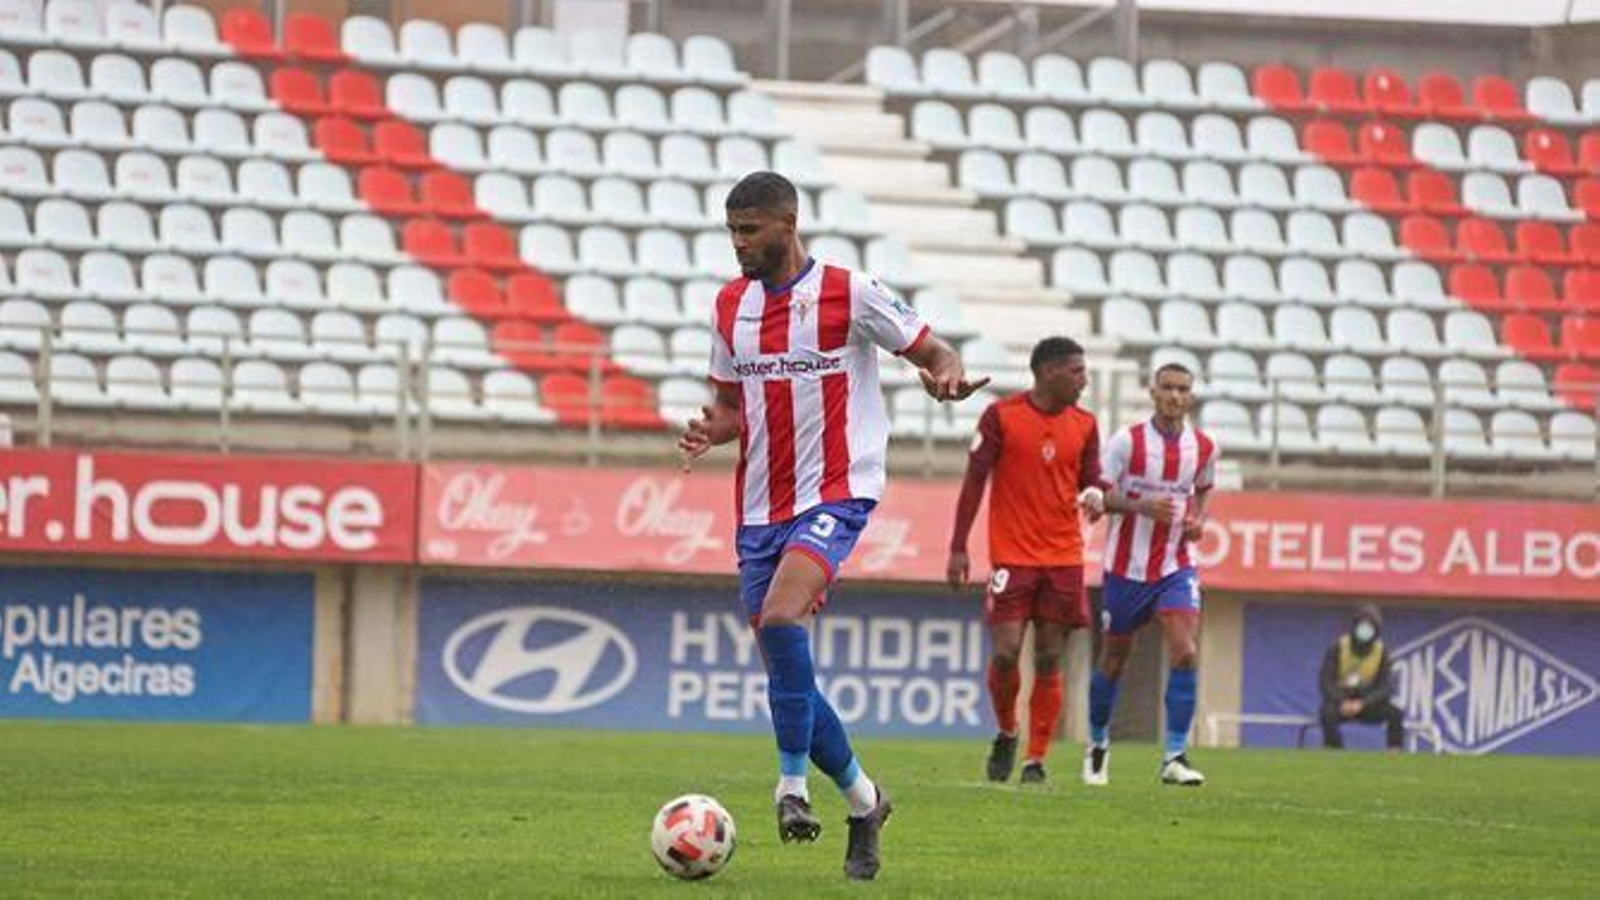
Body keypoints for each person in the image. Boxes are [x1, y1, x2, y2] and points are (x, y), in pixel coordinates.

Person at [678, 171, 988, 881]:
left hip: (837, 493)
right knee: (788, 671)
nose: (738, 244)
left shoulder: (852, 291)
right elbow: (730, 405)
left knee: (783, 623)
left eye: (749, 230)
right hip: (759, 505)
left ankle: (791, 789)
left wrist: (944, 378)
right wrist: (709, 430)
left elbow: (936, 353)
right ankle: (865, 800)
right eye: (731, 231)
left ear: (788, 224)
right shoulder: (730, 307)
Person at [946, 337, 1100, 786]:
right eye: (1076, 371)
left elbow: (1092, 481)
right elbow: (975, 481)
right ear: (1048, 371)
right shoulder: (1002, 416)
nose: (1084, 379)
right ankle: (1007, 731)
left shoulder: (1086, 424)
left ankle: (1035, 760)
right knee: (1008, 651)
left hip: (1064, 556)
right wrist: (958, 546)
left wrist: (1095, 493)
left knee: (1050, 657)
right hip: (1012, 555)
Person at [1078, 362, 1217, 788]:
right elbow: (1096, 495)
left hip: (1176, 565)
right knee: (1115, 660)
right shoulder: (1127, 442)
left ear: (1191, 397)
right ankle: (1098, 744)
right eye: (1168, 388)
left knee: (1185, 650)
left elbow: (1205, 488)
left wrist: (1198, 519)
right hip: (1126, 568)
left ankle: (1174, 756)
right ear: (1153, 393)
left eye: (1183, 389)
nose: (1175, 396)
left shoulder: (1205, 447)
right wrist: (1140, 506)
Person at [1319, 605, 1404, 751]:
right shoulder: (1338, 647)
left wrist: (1363, 703)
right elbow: (1325, 681)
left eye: (1370, 626)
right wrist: (1342, 701)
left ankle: (1394, 752)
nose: (1365, 630)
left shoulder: (1382, 652)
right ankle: (1335, 751)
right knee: (1327, 713)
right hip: (1341, 702)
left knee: (1395, 713)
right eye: (1362, 625)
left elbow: (1386, 687)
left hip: (1367, 704)